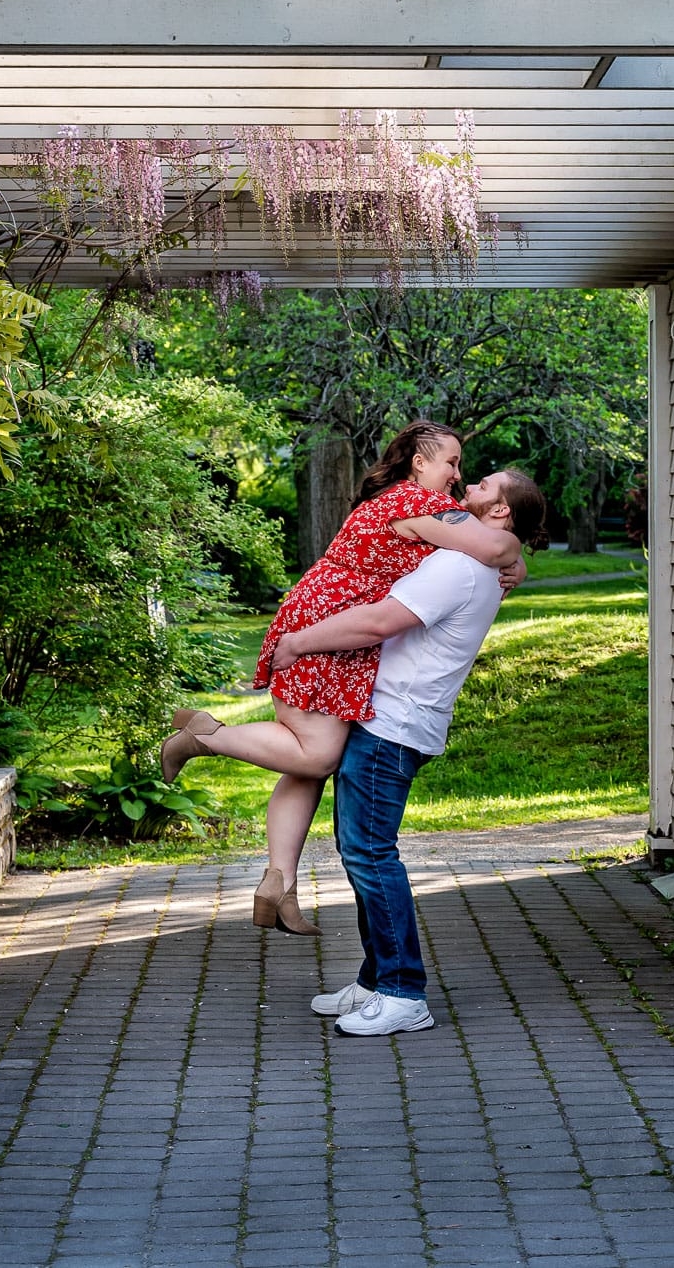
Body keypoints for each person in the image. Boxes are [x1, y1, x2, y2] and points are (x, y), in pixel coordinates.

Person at [159, 421, 524, 935]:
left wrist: (515, 557)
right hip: (327, 627)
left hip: (338, 628)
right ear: (420, 462)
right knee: (318, 753)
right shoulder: (415, 503)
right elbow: (493, 549)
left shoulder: (421, 506)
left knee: (308, 766)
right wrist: (516, 557)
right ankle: (205, 736)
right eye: (452, 462)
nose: (457, 474)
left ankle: (278, 883)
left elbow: (491, 545)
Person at [270, 467, 548, 1036]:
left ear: (499, 513)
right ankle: (376, 980)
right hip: (390, 720)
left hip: (392, 725)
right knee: (361, 853)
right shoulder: (473, 558)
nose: (465, 487)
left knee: (371, 855)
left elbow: (378, 622)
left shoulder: (457, 566)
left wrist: (297, 641)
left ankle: (402, 991)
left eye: (482, 489)